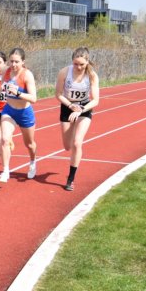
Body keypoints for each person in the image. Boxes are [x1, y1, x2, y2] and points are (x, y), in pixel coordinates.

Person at [55, 46, 100, 191]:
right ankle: (72, 133)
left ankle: (71, 179)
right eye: (76, 64)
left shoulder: (92, 75)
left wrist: (80, 109)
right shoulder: (64, 72)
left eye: (82, 64)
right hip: (67, 106)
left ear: (87, 62)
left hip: (84, 108)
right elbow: (58, 94)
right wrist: (70, 105)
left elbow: (95, 100)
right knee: (67, 146)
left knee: (77, 143)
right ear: (72, 61)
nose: (79, 67)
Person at [0, 47, 37, 183]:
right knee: (4, 139)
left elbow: (33, 98)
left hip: (24, 112)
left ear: (23, 62)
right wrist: (0, 91)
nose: (13, 64)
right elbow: (2, 85)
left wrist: (18, 93)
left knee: (29, 144)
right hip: (9, 111)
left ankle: (32, 161)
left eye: (17, 62)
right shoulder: (6, 71)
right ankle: (5, 170)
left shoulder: (27, 75)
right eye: (11, 61)